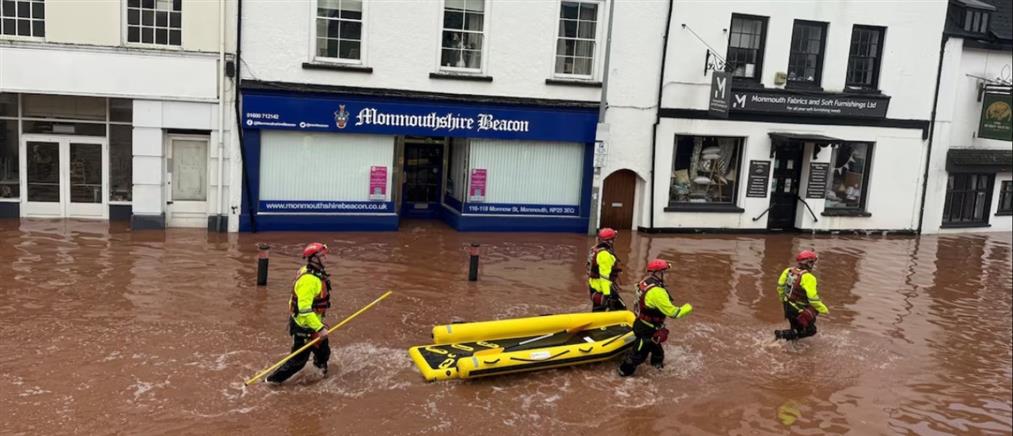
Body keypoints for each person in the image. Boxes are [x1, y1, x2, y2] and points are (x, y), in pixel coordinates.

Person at [266, 242, 333, 384]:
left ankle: (320, 375)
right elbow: (304, 310)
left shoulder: (310, 270)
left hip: (313, 323)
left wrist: (318, 325)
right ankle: (271, 381)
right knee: (298, 361)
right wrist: (320, 328)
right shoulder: (309, 280)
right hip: (304, 326)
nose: (326, 258)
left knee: (323, 353)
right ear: (314, 258)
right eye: (323, 256)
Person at [618, 259, 693, 377]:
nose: (666, 276)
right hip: (647, 329)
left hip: (642, 324)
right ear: (659, 273)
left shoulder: (644, 282)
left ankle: (657, 371)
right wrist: (688, 307)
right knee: (637, 356)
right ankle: (622, 375)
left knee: (658, 353)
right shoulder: (658, 292)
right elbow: (674, 313)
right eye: (665, 272)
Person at [774, 250, 829, 341]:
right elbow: (813, 299)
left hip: (787, 306)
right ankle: (781, 335)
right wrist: (823, 309)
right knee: (811, 330)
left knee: (795, 329)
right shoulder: (809, 278)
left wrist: (783, 300)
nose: (813, 265)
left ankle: (789, 347)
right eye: (812, 262)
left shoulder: (788, 271)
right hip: (799, 309)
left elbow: (780, 287)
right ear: (809, 263)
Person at [587, 228, 625, 312]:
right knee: (621, 309)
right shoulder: (604, 255)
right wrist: (607, 294)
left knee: (597, 310)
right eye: (613, 239)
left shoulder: (595, 249)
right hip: (602, 288)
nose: (615, 240)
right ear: (610, 241)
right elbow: (604, 276)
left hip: (593, 285)